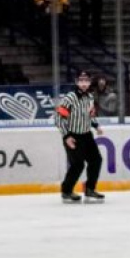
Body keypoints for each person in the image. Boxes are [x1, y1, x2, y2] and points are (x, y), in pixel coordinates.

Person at [54, 70, 104, 204]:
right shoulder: (70, 97)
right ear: (77, 82)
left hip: (87, 135)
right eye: (81, 81)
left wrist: (96, 125)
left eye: (86, 81)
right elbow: (58, 118)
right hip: (73, 136)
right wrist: (67, 136)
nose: (83, 83)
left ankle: (89, 189)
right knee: (78, 164)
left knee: (96, 160)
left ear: (89, 82)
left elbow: (90, 114)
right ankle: (66, 191)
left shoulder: (90, 97)